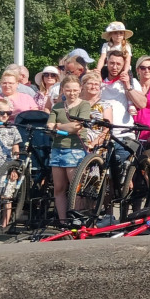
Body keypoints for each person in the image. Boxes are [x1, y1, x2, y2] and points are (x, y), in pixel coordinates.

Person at [46, 75, 91, 222]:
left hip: (75, 148)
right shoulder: (57, 106)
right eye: (68, 90)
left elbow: (77, 127)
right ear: (63, 90)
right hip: (57, 148)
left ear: (80, 89)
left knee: (75, 187)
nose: (72, 93)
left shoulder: (84, 105)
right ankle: (63, 220)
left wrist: (58, 126)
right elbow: (49, 127)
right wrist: (62, 127)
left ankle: (76, 218)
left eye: (74, 90)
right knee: (59, 188)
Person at [0, 98, 22, 228]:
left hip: (7, 167)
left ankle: (5, 223)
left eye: (8, 113)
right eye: (2, 113)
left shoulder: (12, 128)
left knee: (7, 196)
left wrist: (15, 168)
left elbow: (16, 150)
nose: (5, 116)